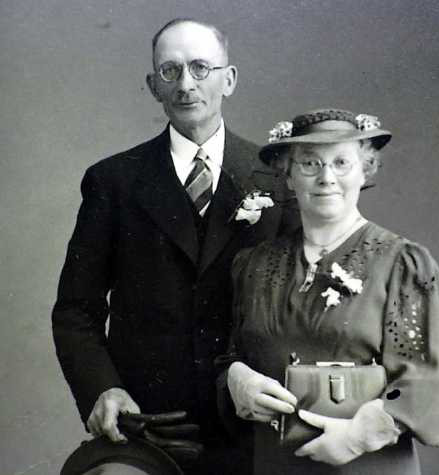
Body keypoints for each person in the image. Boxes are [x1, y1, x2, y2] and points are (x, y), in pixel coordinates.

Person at [52, 18, 298, 475]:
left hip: (251, 424)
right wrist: (102, 389)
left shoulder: (279, 178)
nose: (186, 84)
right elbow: (75, 310)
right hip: (148, 425)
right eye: (170, 71)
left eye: (201, 68)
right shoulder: (113, 181)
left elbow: (300, 304)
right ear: (153, 86)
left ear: (229, 79)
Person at [221, 108, 439, 475]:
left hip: (367, 464)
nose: (326, 177)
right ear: (289, 175)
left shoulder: (401, 264)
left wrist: (357, 438)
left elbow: (422, 378)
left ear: (365, 171)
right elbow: (232, 353)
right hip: (275, 464)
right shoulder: (255, 265)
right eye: (309, 163)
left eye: (342, 163)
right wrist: (236, 379)